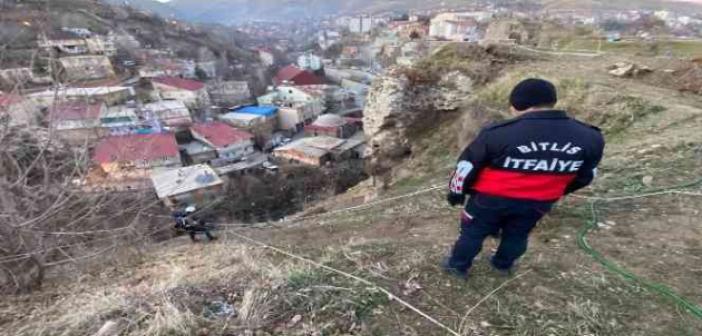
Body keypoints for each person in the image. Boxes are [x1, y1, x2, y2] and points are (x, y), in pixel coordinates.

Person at [444, 78, 605, 279]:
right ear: (552, 102)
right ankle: (502, 265)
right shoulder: (590, 137)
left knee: (472, 233)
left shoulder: (498, 133)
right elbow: (586, 175)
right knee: (518, 234)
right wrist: (557, 190)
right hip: (539, 201)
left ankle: (457, 267)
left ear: (517, 105)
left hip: (489, 199)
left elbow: (466, 167)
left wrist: (456, 192)